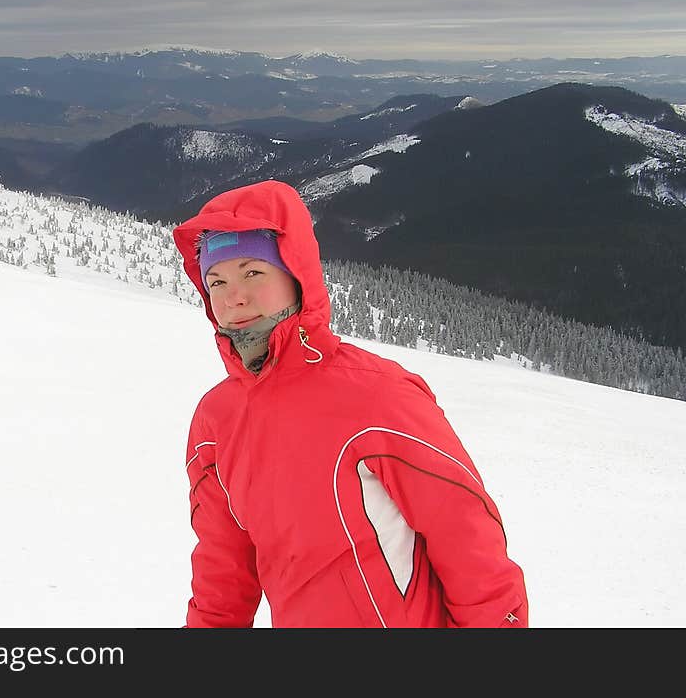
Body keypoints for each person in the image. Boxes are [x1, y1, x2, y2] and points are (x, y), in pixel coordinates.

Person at [171, 180, 528, 628]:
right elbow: (222, 572)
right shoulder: (216, 421)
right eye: (216, 281)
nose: (233, 297)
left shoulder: (377, 394)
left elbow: (469, 541)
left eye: (253, 273)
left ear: (295, 275)